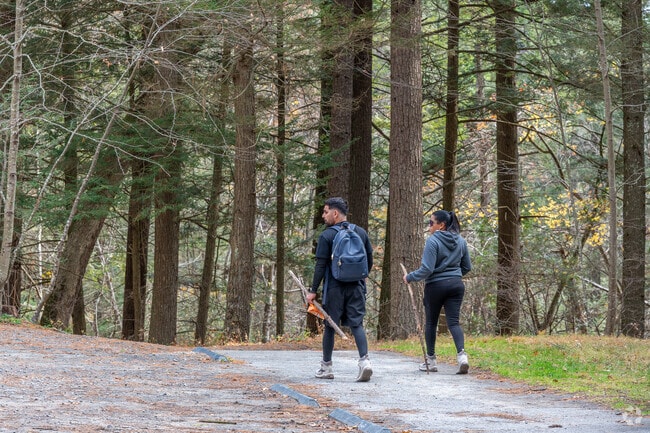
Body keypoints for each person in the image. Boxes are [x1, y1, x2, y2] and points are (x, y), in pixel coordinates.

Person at [307, 197, 374, 382]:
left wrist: (313, 290)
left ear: (335, 213)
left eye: (326, 211)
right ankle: (365, 362)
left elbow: (321, 265)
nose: (323, 215)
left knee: (330, 325)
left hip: (334, 286)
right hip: (357, 286)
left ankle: (326, 367)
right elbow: (369, 259)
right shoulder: (360, 232)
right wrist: (362, 275)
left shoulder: (327, 235)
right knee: (357, 324)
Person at [403, 210, 472, 374]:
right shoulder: (461, 241)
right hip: (456, 285)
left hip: (435, 286)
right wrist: (454, 276)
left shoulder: (433, 241)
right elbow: (467, 266)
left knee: (431, 323)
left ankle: (431, 361)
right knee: (454, 322)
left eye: (431, 223)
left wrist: (409, 277)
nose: (428, 226)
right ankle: (462, 357)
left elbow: (427, 269)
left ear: (441, 225)